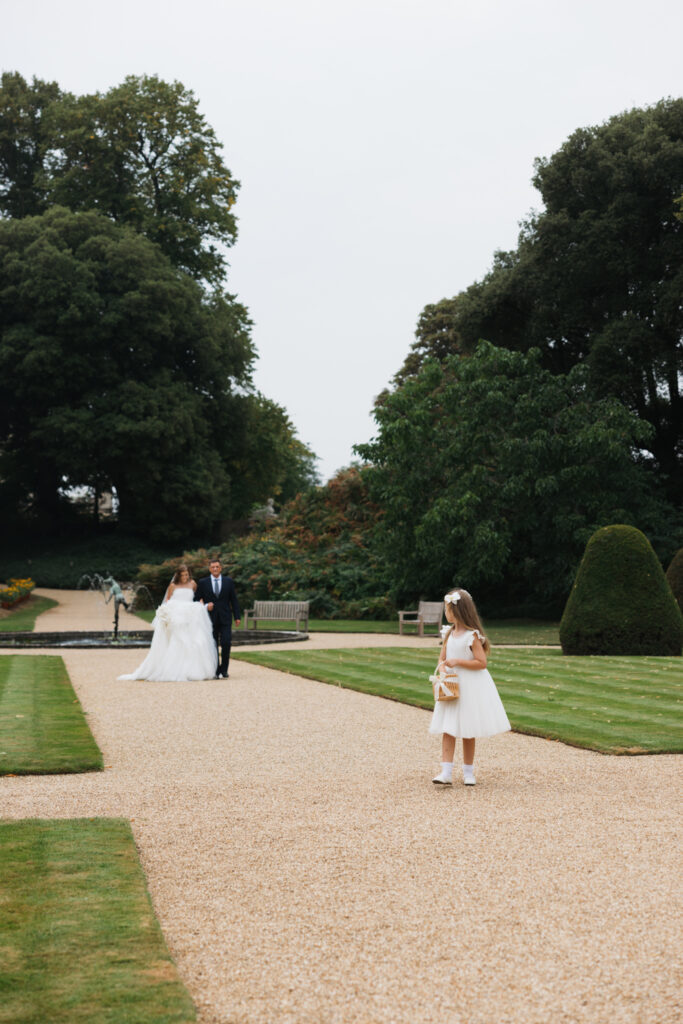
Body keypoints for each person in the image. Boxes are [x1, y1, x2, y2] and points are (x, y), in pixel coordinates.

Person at [430, 588, 510, 786]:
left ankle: (468, 772)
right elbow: (442, 656)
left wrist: (457, 661)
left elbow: (481, 662)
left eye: (447, 609)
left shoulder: (472, 636)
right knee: (448, 728)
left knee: (468, 728)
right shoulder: (449, 633)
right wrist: (443, 669)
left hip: (469, 686)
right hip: (451, 684)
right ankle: (446, 771)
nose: (445, 613)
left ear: (457, 611)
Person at [118, 565, 217, 681]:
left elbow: (198, 598)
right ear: (178, 575)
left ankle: (192, 669)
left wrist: (201, 606)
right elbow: (168, 600)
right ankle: (174, 669)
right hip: (177, 616)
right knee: (178, 641)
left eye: (187, 574)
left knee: (194, 642)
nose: (185, 577)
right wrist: (167, 612)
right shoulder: (173, 586)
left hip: (190, 616)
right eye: (182, 575)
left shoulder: (193, 584)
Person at [194, 557, 241, 678]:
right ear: (209, 569)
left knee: (226, 643)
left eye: (217, 567)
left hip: (225, 618)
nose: (215, 569)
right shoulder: (203, 582)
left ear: (221, 568)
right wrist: (205, 606)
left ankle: (224, 670)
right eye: (213, 567)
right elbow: (195, 600)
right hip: (210, 619)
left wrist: (237, 616)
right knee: (212, 645)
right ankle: (215, 670)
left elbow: (234, 600)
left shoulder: (228, 581)